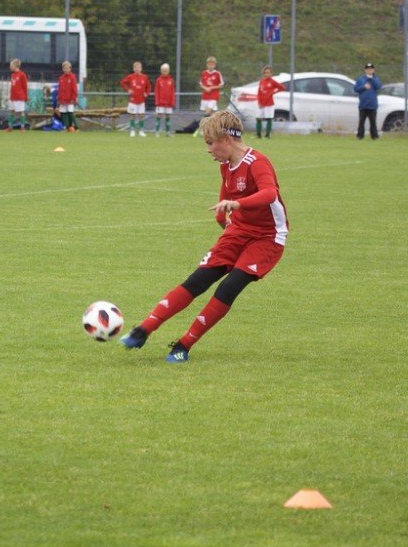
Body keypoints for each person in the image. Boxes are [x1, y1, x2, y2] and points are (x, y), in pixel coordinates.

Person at [119, 111, 288, 363]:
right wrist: (222, 215)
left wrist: (237, 204)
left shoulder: (257, 162)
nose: (208, 149)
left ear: (226, 139)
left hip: (267, 237)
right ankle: (143, 330)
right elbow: (226, 194)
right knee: (198, 279)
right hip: (238, 231)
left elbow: (269, 194)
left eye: (210, 143)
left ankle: (183, 346)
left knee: (229, 286)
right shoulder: (226, 165)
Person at [120, 61, 150, 137]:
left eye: (138, 67)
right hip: (133, 100)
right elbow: (122, 82)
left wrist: (146, 93)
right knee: (132, 115)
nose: (137, 69)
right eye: (135, 68)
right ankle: (132, 130)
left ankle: (141, 131)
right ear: (133, 69)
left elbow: (149, 87)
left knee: (141, 115)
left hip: (141, 100)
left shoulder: (144, 77)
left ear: (141, 69)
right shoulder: (130, 77)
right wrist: (128, 89)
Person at [255, 65, 285, 139]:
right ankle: (258, 135)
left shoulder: (272, 81)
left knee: (269, 118)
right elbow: (259, 93)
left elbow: (282, 87)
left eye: (268, 73)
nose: (267, 74)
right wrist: (259, 102)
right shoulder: (262, 81)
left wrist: (273, 92)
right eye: (265, 73)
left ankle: (267, 135)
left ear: (271, 73)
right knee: (258, 118)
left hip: (269, 103)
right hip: (261, 103)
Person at [354, 62, 381, 140]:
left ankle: (374, 136)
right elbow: (356, 89)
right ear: (365, 70)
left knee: (373, 122)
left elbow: (378, 87)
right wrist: (364, 87)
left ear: (373, 70)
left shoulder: (376, 79)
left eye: (371, 69)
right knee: (361, 121)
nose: (369, 70)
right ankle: (360, 136)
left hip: (372, 104)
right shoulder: (361, 79)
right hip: (363, 104)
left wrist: (372, 79)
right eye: (368, 69)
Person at [5, 58, 28, 133]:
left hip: (19, 97)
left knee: (21, 112)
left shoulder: (22, 75)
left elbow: (25, 86)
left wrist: (26, 96)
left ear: (15, 66)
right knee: (11, 111)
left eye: (11, 65)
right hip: (13, 97)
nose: (10, 67)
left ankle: (22, 128)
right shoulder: (12, 75)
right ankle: (10, 127)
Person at [153, 63, 175, 137]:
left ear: (168, 71)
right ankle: (157, 132)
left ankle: (168, 132)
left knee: (168, 117)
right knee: (159, 116)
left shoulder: (171, 80)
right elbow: (156, 91)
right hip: (160, 102)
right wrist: (157, 101)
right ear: (161, 71)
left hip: (168, 103)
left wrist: (172, 102)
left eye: (166, 70)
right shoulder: (158, 80)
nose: (164, 72)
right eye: (163, 70)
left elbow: (172, 92)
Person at [57, 60, 78, 133]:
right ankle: (67, 127)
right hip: (63, 99)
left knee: (70, 112)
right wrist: (59, 98)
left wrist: (73, 98)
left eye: (67, 68)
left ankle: (74, 127)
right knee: (63, 113)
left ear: (70, 68)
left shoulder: (72, 77)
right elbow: (59, 89)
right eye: (64, 68)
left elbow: (74, 89)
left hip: (70, 99)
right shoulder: (61, 78)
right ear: (63, 69)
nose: (66, 70)